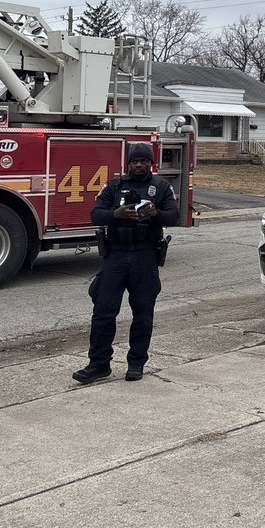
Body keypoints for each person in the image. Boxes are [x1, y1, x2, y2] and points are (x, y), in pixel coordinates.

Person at [72, 142, 179, 384]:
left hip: (145, 256)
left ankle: (136, 364)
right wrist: (116, 215)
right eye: (134, 161)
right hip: (116, 256)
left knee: (143, 313)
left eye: (143, 161)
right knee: (103, 311)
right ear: (128, 163)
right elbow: (95, 214)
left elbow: (174, 216)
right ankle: (98, 365)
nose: (138, 165)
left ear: (151, 164)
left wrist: (155, 215)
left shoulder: (161, 187)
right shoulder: (114, 185)